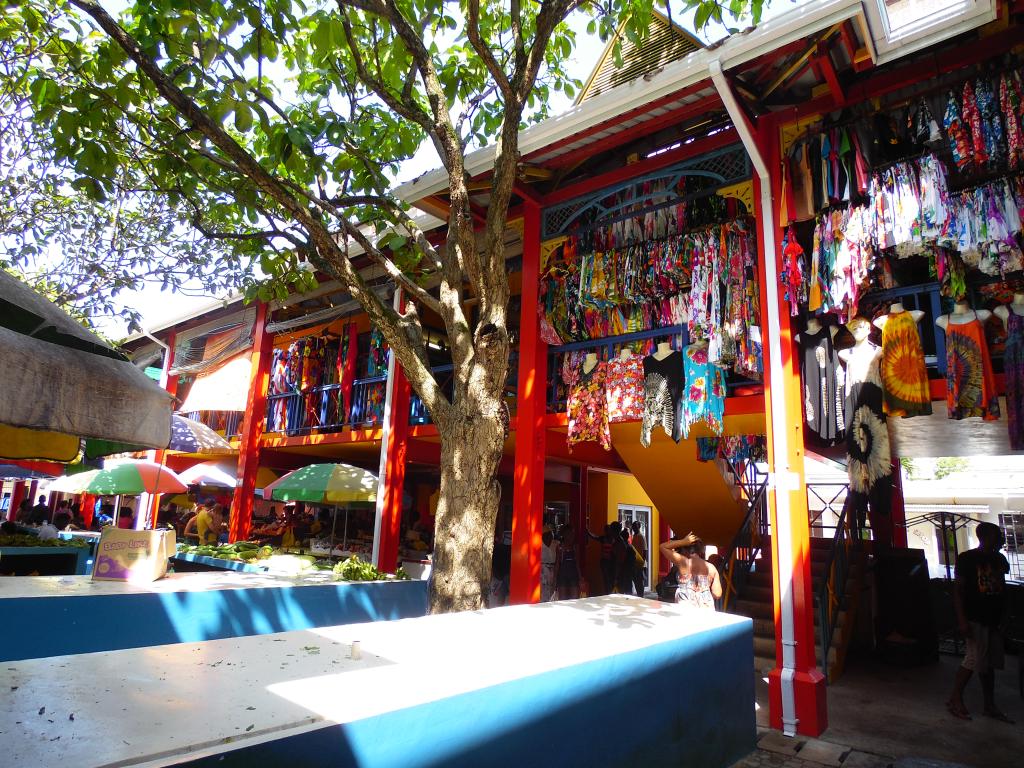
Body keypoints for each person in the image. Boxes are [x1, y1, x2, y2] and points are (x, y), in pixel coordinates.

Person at [947, 522, 1013, 723]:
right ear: (985, 537)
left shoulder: (998, 559)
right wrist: (962, 620)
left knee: (989, 663)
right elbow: (958, 592)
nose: (1000, 539)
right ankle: (955, 699)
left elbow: (1001, 588)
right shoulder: (967, 559)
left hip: (993, 619)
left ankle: (989, 705)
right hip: (975, 617)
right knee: (974, 659)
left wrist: (1004, 616)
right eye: (996, 535)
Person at [659, 532, 721, 610]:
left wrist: (683, 541)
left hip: (686, 610)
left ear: (684, 550)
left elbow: (662, 547)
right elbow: (717, 594)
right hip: (706, 610)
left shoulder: (684, 562)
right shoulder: (712, 568)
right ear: (700, 550)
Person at [586, 523, 615, 595]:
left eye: (608, 530)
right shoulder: (603, 538)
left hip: (611, 562)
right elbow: (594, 537)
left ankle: (609, 593)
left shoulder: (614, 539)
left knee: (610, 579)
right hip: (604, 562)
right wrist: (588, 532)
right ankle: (607, 593)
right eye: (606, 530)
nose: (607, 531)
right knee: (606, 579)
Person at [554, 524, 581, 600]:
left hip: (573, 575)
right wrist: (555, 580)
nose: (572, 536)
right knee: (563, 600)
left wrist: (580, 578)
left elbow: (577, 564)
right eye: (570, 534)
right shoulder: (559, 547)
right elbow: (557, 565)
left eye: (573, 534)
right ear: (565, 535)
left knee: (575, 599)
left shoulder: (575, 547)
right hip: (562, 575)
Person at [612, 525, 635, 595]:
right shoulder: (630, 546)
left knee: (622, 591)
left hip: (623, 572)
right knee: (628, 590)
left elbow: (619, 561)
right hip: (628, 572)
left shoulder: (622, 545)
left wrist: (616, 576)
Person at [630, 521, 647, 597]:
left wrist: (642, 562)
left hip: (640, 563)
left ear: (639, 527)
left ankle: (641, 596)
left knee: (640, 582)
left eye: (635, 527)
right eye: (633, 527)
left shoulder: (641, 537)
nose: (634, 528)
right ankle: (639, 595)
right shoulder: (634, 536)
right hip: (635, 562)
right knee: (636, 581)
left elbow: (644, 550)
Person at [540, 526, 557, 602]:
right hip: (542, 570)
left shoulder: (555, 544)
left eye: (550, 534)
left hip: (552, 569)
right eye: (547, 534)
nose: (550, 536)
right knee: (542, 591)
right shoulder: (539, 544)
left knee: (551, 590)